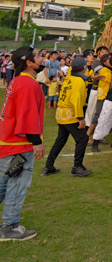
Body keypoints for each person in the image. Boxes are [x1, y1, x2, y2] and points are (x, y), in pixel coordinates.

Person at [0, 46, 45, 241]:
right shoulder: (27, 83)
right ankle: (9, 227)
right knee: (17, 186)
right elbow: (26, 115)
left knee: (3, 184)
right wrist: (36, 142)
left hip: (7, 141)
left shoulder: (17, 80)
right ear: (28, 62)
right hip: (18, 145)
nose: (41, 59)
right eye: (38, 56)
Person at [41, 56, 93, 178]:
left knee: (60, 140)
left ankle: (49, 166)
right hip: (70, 114)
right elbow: (76, 100)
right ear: (84, 67)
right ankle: (77, 167)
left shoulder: (69, 77)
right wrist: (80, 118)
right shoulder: (79, 81)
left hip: (61, 113)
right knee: (82, 139)